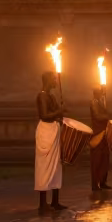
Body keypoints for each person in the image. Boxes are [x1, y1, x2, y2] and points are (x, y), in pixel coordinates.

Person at [35, 72, 66, 213]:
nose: (55, 81)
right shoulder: (41, 96)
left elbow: (54, 113)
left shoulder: (51, 96)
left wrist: (60, 113)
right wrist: (59, 111)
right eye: (53, 79)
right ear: (47, 80)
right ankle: (43, 204)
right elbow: (44, 115)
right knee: (45, 167)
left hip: (53, 130)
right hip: (46, 131)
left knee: (56, 166)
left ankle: (55, 201)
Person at [89, 86, 112, 192]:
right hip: (98, 133)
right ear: (96, 93)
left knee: (105, 159)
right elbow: (97, 116)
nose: (101, 93)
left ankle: (103, 182)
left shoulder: (101, 102)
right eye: (100, 92)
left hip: (104, 133)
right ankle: (95, 184)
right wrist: (107, 116)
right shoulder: (93, 102)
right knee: (97, 160)